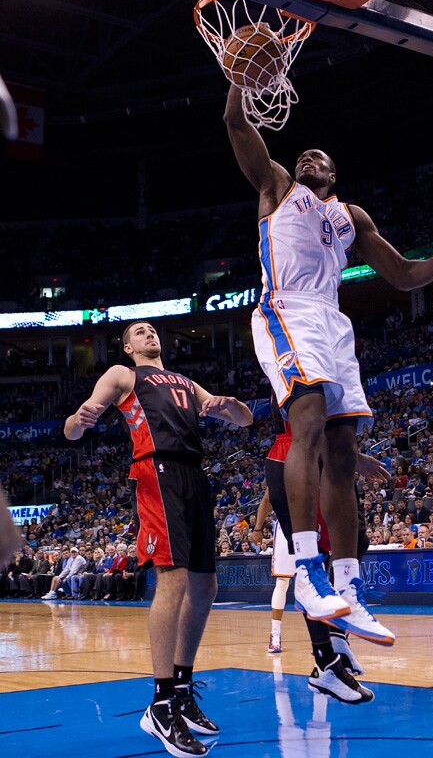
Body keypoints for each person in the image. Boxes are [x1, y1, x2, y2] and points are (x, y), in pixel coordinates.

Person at [224, 84, 433, 641]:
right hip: (287, 309)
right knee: (305, 422)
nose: (309, 159)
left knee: (342, 452)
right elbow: (236, 124)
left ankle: (349, 585)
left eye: (321, 159)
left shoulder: (350, 216)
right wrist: (240, 76)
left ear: (334, 176)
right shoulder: (277, 185)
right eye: (304, 154)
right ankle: (306, 569)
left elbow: (404, 275)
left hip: (333, 322)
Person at [64, 320, 253, 758]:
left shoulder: (186, 382)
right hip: (156, 471)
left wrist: (231, 406)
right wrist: (80, 419)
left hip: (193, 475)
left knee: (206, 585)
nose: (149, 334)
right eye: (140, 331)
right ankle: (161, 701)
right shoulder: (123, 375)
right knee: (174, 579)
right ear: (128, 346)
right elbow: (73, 430)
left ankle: (183, 689)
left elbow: (242, 421)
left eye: (152, 330)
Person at [252, 397, 382, 704]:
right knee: (312, 563)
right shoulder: (294, 363)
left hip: (327, 458)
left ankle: (334, 639)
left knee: (356, 540)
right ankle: (326, 662)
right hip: (299, 456)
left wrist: (354, 455)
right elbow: (309, 421)